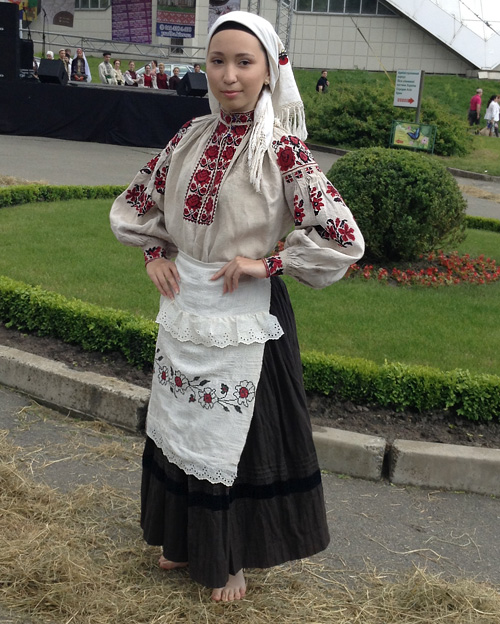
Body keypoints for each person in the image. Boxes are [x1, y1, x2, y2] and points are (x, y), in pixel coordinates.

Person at [110, 11, 364, 603]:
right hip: (186, 306)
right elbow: (138, 203)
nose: (229, 75)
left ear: (269, 72)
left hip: (245, 316)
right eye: (218, 61)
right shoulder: (189, 136)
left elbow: (342, 237)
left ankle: (231, 558)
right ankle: (179, 538)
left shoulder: (282, 153)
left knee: (236, 438)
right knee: (180, 422)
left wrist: (269, 263)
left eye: (243, 62)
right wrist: (154, 252)